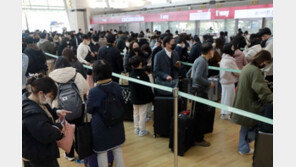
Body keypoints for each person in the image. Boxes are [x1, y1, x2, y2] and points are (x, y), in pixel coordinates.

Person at [22, 74, 71, 167]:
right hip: (38, 155)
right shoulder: (32, 114)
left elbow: (45, 112)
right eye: (50, 95)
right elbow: (47, 134)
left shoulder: (33, 100)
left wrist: (56, 112)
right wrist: (60, 127)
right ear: (41, 93)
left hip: (36, 151)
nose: (51, 99)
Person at [231, 50, 273, 155]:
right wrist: (272, 98)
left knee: (245, 127)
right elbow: (261, 89)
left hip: (243, 101)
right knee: (252, 126)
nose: (265, 64)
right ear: (263, 61)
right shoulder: (255, 71)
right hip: (249, 103)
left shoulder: (248, 67)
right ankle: (243, 148)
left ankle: (243, 147)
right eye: (266, 62)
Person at [49, 57, 89, 161]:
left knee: (66, 132)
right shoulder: (75, 74)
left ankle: (70, 155)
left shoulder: (52, 78)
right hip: (78, 108)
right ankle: (82, 154)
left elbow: (50, 96)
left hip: (61, 110)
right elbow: (85, 88)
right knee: (78, 131)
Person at [87, 60, 125, 167]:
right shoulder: (117, 86)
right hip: (117, 123)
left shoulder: (94, 91)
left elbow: (89, 109)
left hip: (101, 125)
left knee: (102, 153)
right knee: (117, 149)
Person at [190, 42, 215, 147]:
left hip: (197, 91)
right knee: (200, 116)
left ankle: (196, 137)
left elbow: (190, 74)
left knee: (198, 115)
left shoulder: (199, 60)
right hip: (200, 92)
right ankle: (199, 139)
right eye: (212, 50)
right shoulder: (202, 62)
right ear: (209, 51)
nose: (213, 52)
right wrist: (209, 83)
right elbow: (196, 77)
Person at [129, 56, 154, 137]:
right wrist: (151, 97)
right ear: (140, 63)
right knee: (142, 114)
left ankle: (136, 128)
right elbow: (148, 87)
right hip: (143, 98)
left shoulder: (131, 74)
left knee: (135, 113)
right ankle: (142, 130)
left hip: (134, 98)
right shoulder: (144, 74)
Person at [219, 43, 240, 120]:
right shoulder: (230, 61)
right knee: (229, 98)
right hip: (229, 81)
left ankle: (223, 113)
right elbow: (237, 72)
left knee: (224, 97)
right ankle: (227, 114)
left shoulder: (223, 59)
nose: (233, 49)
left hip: (224, 81)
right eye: (232, 48)